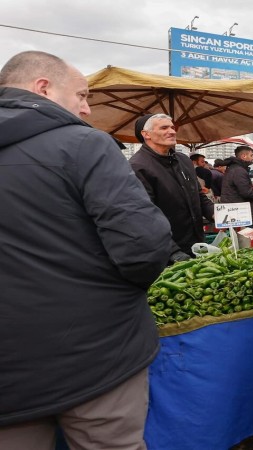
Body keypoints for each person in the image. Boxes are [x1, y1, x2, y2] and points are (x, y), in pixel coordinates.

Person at [0, 51, 172, 449]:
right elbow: (144, 247)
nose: (87, 108)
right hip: (95, 357)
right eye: (81, 95)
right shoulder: (83, 144)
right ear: (43, 87)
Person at [130, 113, 215, 261]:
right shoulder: (137, 167)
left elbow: (198, 196)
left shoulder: (183, 160)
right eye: (164, 128)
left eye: (172, 127)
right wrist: (172, 251)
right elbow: (144, 217)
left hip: (196, 243)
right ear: (146, 134)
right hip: (166, 252)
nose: (172, 131)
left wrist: (219, 215)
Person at [221, 145, 253, 215]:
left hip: (235, 208)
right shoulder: (238, 170)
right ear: (244, 156)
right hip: (240, 211)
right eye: (251, 155)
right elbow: (246, 193)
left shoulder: (234, 168)